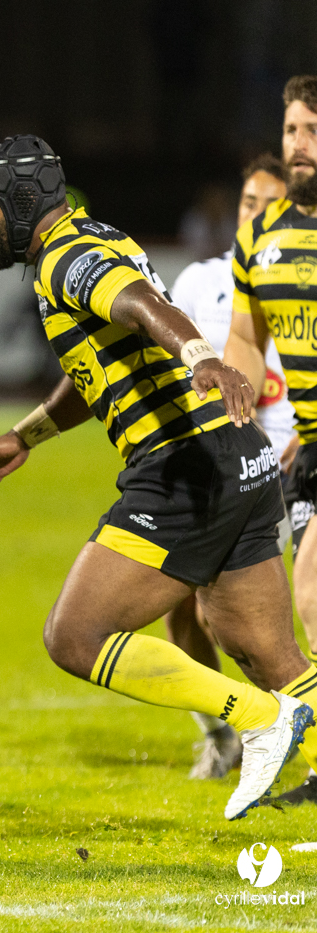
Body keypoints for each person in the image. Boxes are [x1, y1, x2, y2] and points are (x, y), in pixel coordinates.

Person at [0, 134, 317, 821]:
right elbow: (98, 364)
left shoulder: (68, 256)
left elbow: (140, 307)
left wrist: (199, 352)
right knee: (273, 652)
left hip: (185, 466)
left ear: (21, 202)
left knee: (74, 636)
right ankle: (283, 718)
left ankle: (257, 719)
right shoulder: (90, 239)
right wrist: (26, 434)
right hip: (236, 455)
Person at [166, 154, 300, 780]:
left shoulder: (300, 268)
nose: (254, 215)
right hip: (214, 468)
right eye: (248, 203)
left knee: (250, 619)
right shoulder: (198, 282)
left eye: (267, 205)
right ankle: (226, 734)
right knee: (183, 613)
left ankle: (273, 728)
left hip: (283, 463)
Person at [224, 75, 317, 806]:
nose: (298, 145)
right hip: (307, 448)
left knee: (312, 597)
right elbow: (246, 342)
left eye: (311, 130)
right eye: (291, 130)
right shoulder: (262, 233)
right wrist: (234, 420)